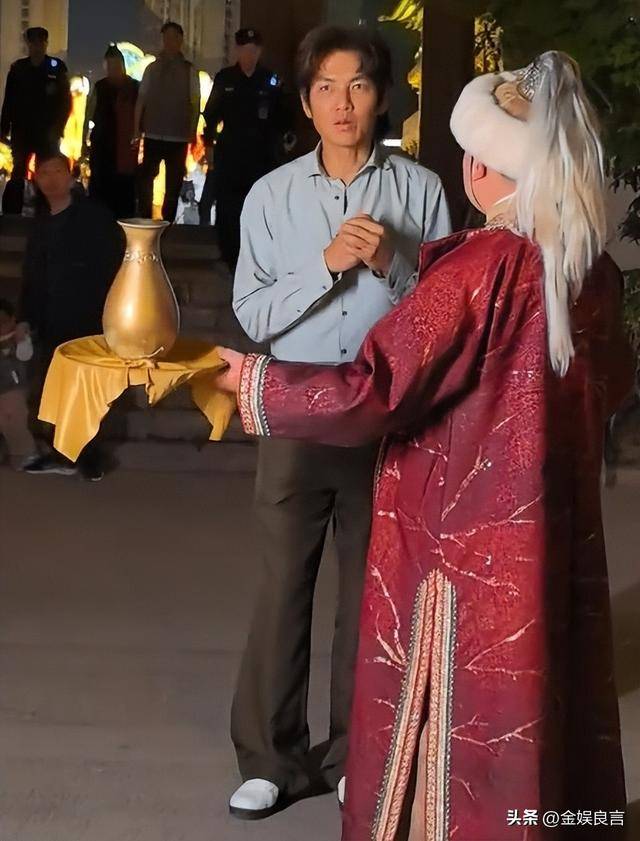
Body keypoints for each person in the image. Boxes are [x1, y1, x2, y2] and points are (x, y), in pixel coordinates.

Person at [216, 51, 632, 839]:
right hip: (545, 521)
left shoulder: (484, 265)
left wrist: (256, 382)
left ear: (483, 165)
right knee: (542, 686)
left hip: (459, 532)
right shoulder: (591, 267)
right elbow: (610, 380)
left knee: (459, 706)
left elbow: (379, 385)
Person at [226, 25, 451, 821]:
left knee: (373, 593)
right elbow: (253, 314)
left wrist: (390, 262)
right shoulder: (272, 195)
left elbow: (441, 315)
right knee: (282, 585)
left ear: (381, 96)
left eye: (357, 84)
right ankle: (269, 758)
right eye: (326, 85)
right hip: (296, 402)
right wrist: (325, 265)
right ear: (307, 100)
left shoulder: (421, 191)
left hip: (388, 409)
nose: (342, 101)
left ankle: (361, 752)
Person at [16, 153, 125, 481]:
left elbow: (111, 264)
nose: (51, 179)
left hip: (86, 317)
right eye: (44, 173)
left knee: (85, 389)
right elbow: (32, 275)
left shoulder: (93, 218)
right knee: (54, 388)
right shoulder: (41, 223)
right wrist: (25, 318)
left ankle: (87, 456)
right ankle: (61, 451)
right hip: (50, 319)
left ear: (71, 175)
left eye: (57, 171)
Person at [200, 28, 293, 265]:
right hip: (230, 152)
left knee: (260, 206)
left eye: (253, 50)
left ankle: (257, 257)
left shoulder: (270, 80)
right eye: (244, 50)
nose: (249, 55)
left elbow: (283, 116)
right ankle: (228, 256)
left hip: (261, 155)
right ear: (237, 51)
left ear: (259, 51)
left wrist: (285, 141)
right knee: (227, 207)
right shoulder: (225, 79)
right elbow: (211, 116)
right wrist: (208, 146)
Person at [0, 27, 71, 216]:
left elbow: (65, 102)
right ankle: (12, 213)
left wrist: (58, 128)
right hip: (22, 131)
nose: (37, 47)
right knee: (18, 172)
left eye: (41, 43)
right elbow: (9, 101)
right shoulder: (18, 69)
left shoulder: (56, 68)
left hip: (47, 133)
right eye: (33, 43)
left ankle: (45, 211)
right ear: (28, 45)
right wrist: (3, 129)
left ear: (46, 44)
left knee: (46, 172)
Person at [134, 21, 200, 223]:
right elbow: (141, 99)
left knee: (173, 183)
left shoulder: (189, 70)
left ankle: (167, 222)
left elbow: (195, 102)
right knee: (146, 179)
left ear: (180, 40)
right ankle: (145, 220)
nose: (169, 42)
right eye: (166, 37)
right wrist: (136, 128)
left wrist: (192, 131)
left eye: (173, 37)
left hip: (178, 136)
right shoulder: (152, 68)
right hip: (153, 133)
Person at [83, 44, 139, 219]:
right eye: (110, 65)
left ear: (122, 65)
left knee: (125, 192)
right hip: (102, 146)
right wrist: (83, 142)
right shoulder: (100, 87)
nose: (113, 69)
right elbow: (88, 114)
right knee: (101, 191)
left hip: (125, 147)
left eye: (116, 65)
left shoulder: (134, 87)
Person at [0, 298, 39, 470]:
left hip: (14, 389)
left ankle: (25, 452)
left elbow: (25, 356)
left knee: (11, 406)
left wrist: (21, 336)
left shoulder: (21, 340)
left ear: (12, 320)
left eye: (3, 322)